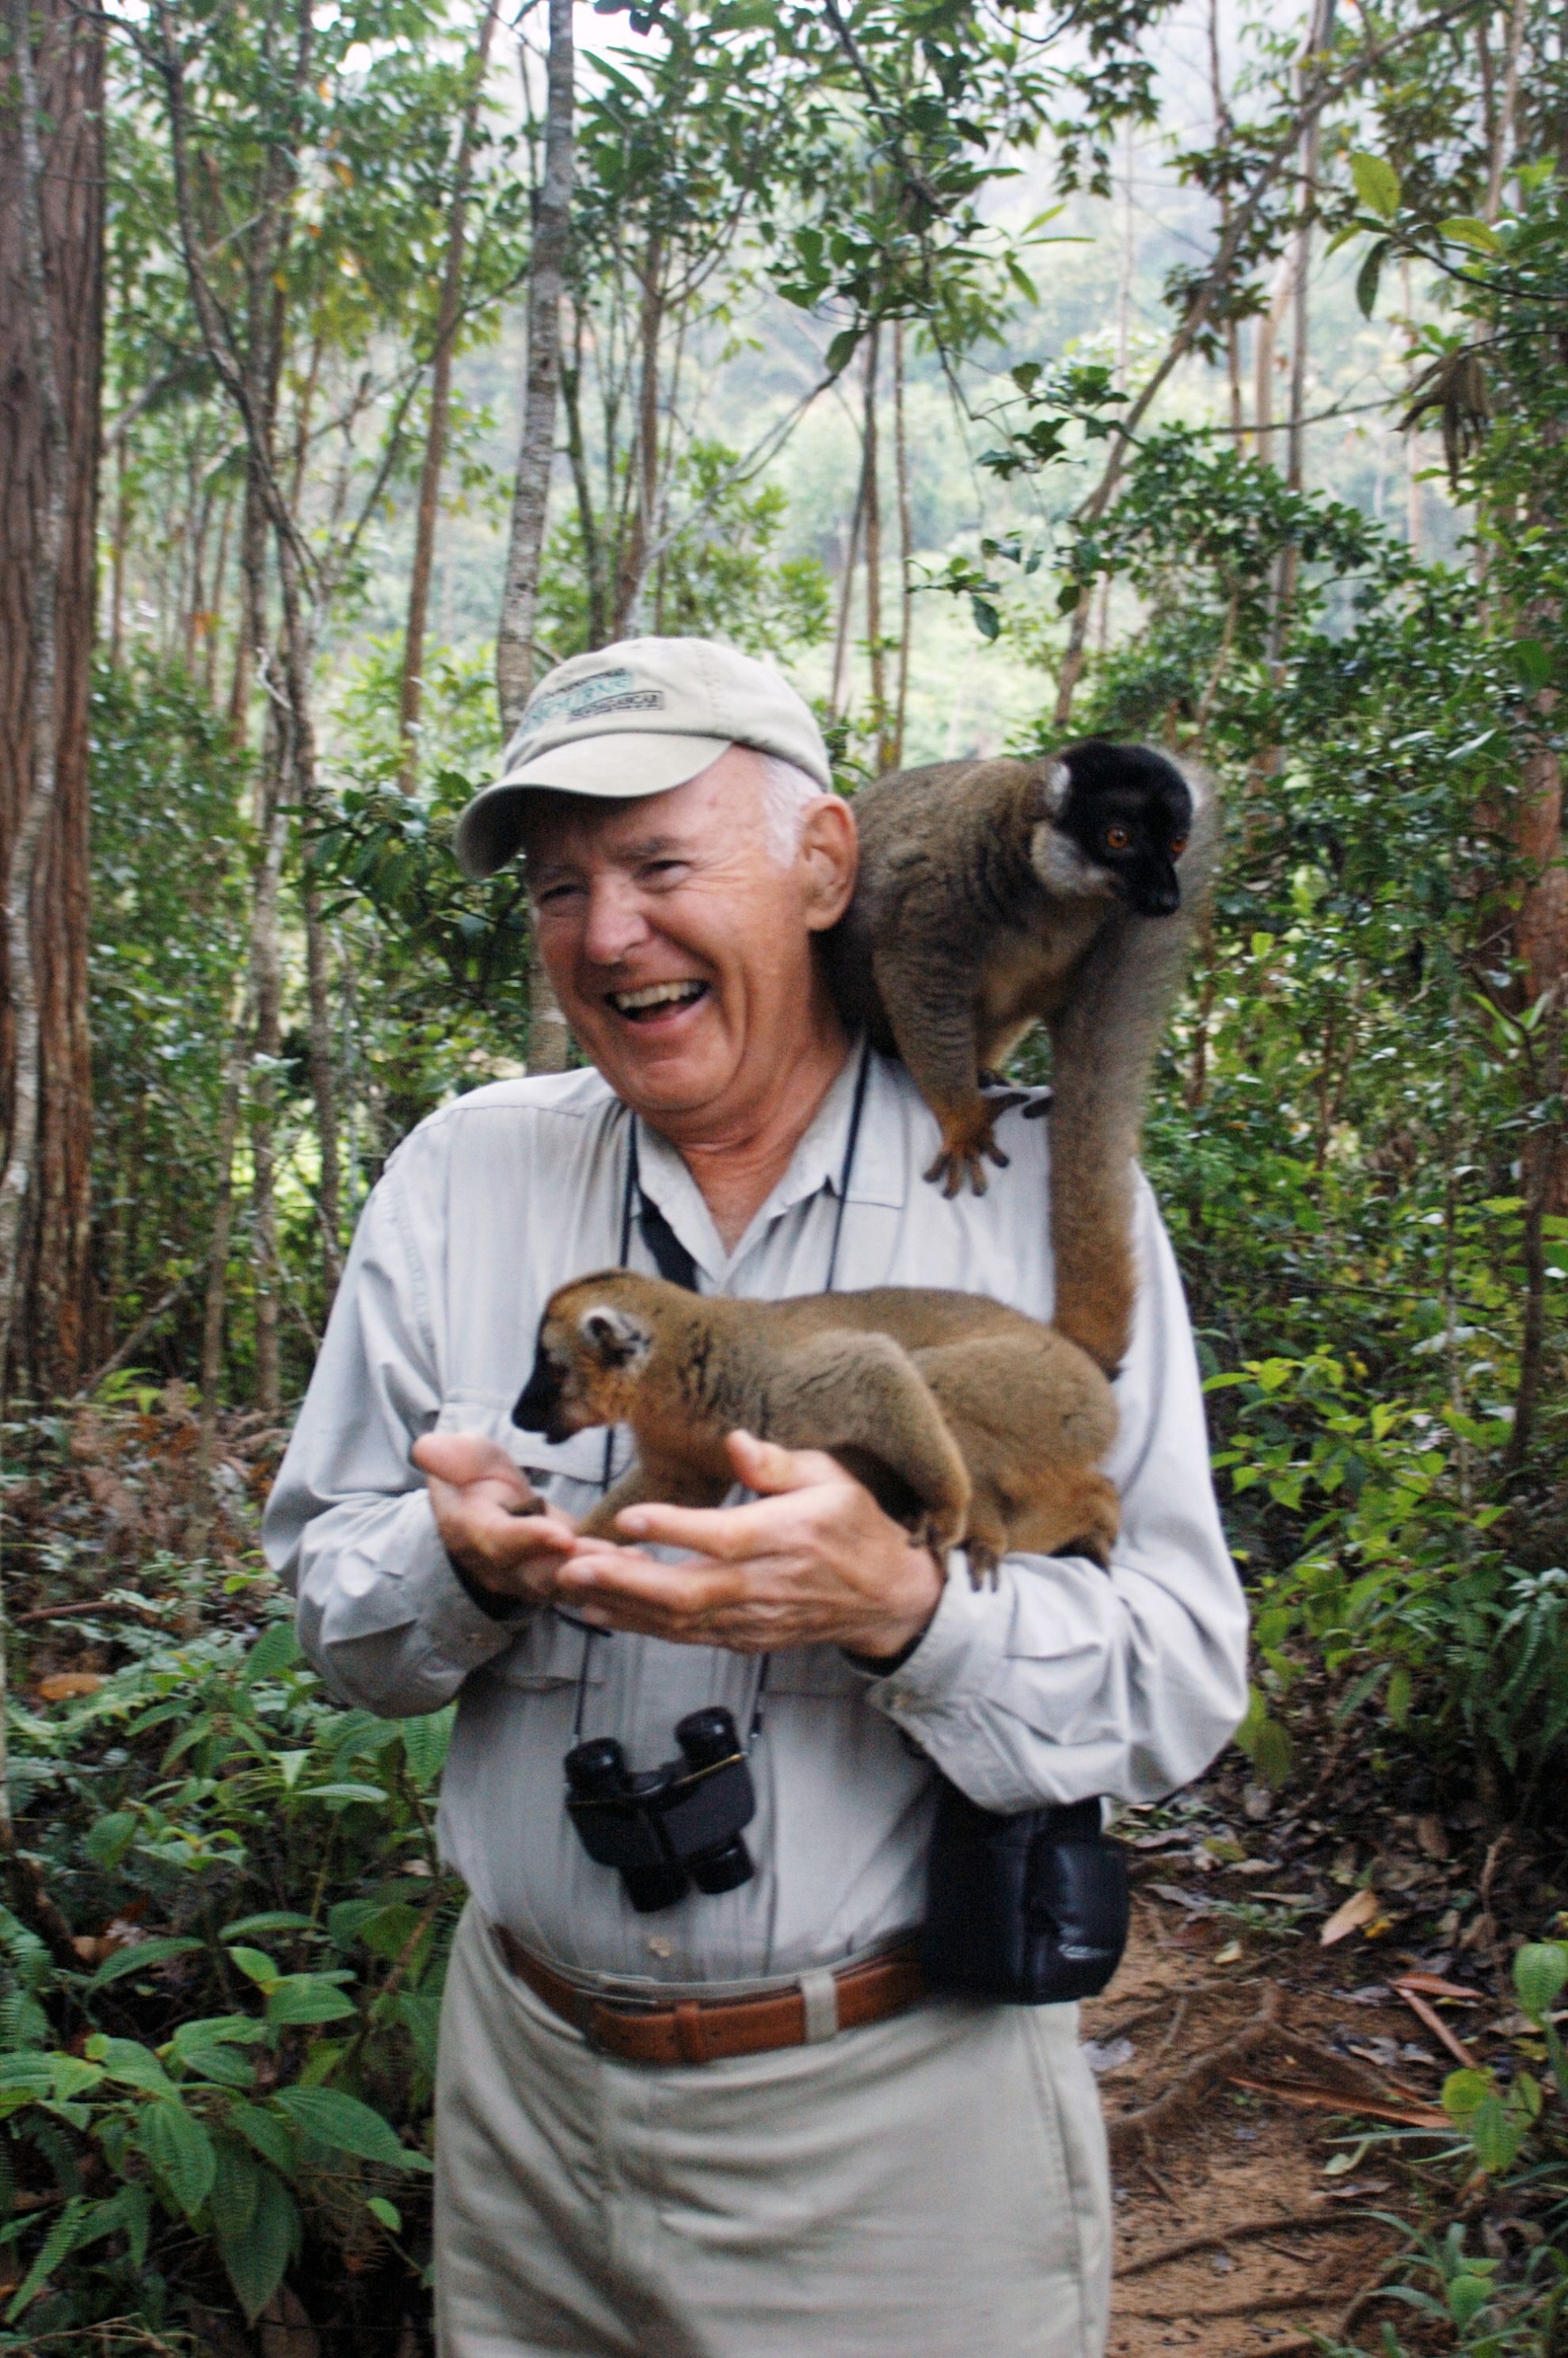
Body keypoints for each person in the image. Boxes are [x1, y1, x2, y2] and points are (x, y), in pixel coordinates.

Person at [264, 635, 1248, 2358]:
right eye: (560, 889)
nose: (607, 933)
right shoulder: (465, 1174)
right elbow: (337, 1612)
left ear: (822, 866)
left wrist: (907, 1610)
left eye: (659, 864)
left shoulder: (1033, 1190)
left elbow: (1176, 1679)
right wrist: (460, 1565)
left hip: (894, 2119)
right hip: (526, 2097)